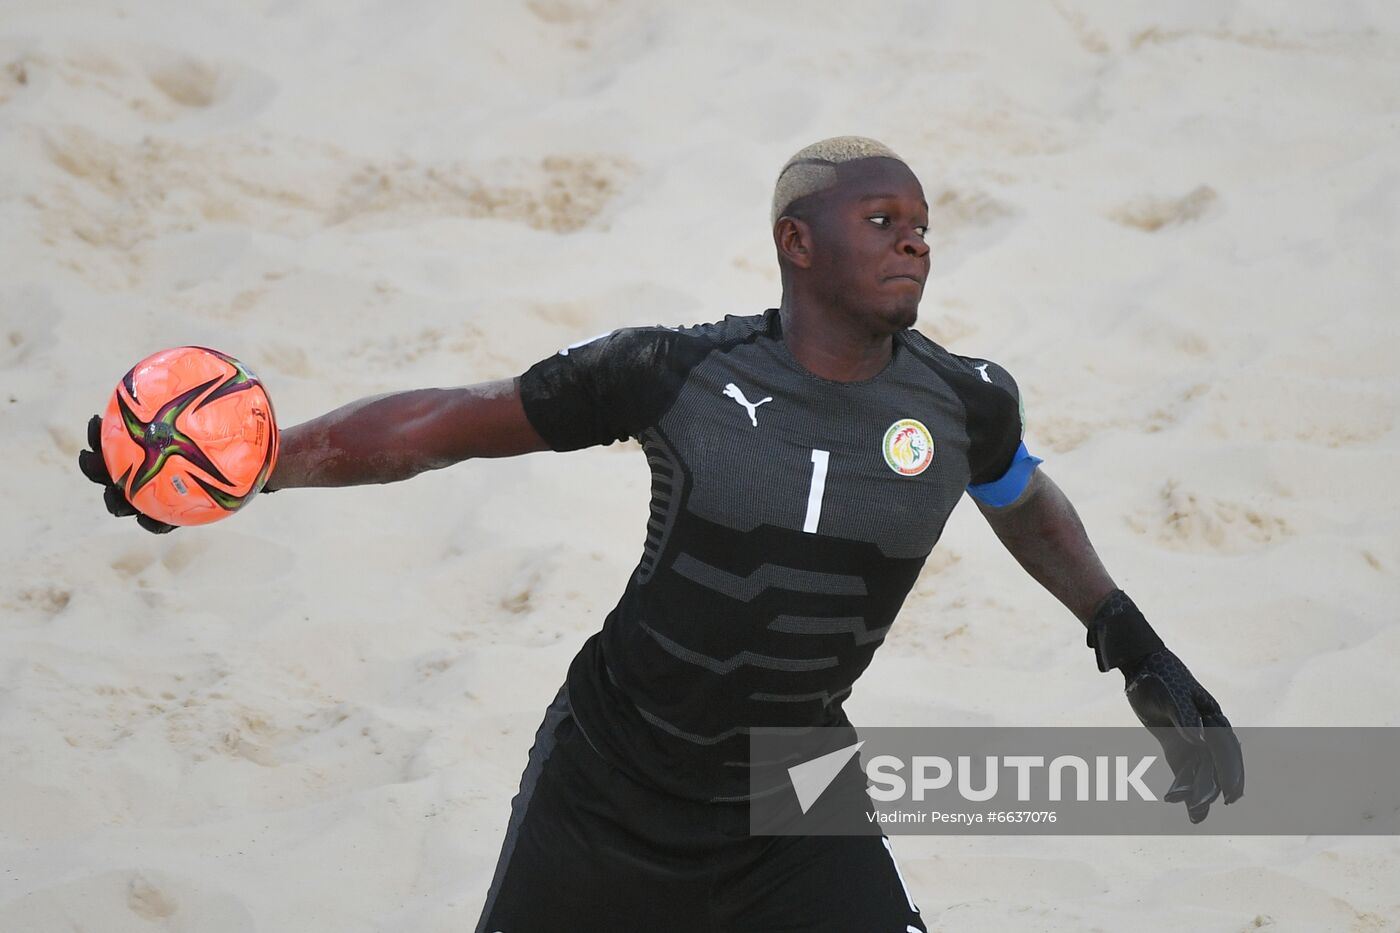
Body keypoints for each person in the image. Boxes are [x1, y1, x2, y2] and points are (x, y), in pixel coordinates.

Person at [80, 136, 1244, 931]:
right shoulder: (674, 372)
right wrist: (262, 469)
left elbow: (1021, 498)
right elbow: (448, 424)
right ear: (796, 242)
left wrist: (1123, 631)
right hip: (611, 782)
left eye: (923, 226)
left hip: (793, 794)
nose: (913, 242)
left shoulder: (961, 401)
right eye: (881, 220)